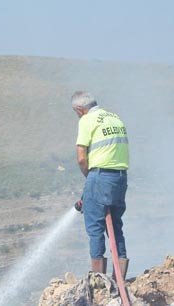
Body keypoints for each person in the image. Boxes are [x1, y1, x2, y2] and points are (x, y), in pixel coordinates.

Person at [71, 91, 130, 279]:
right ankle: (119, 278)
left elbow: (81, 158)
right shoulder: (114, 118)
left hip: (99, 175)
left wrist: (90, 179)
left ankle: (99, 281)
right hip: (120, 178)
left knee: (95, 228)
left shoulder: (87, 120)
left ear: (80, 110)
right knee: (116, 225)